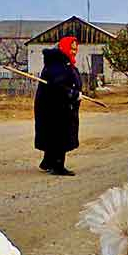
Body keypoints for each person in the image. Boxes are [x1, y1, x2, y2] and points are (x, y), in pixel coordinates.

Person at [34, 36, 82, 176]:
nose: (74, 51)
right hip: (55, 107)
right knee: (59, 135)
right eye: (71, 48)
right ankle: (58, 166)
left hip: (58, 106)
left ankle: (47, 162)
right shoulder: (57, 65)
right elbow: (57, 87)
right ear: (63, 48)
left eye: (75, 49)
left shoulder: (63, 63)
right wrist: (73, 94)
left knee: (54, 134)